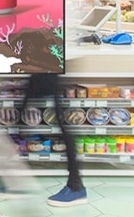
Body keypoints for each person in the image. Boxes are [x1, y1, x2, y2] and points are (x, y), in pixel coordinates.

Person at [22, 73, 88, 207]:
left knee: (66, 132)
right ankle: (76, 186)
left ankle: (76, 186)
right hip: (44, 74)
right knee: (19, 125)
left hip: (49, 74)